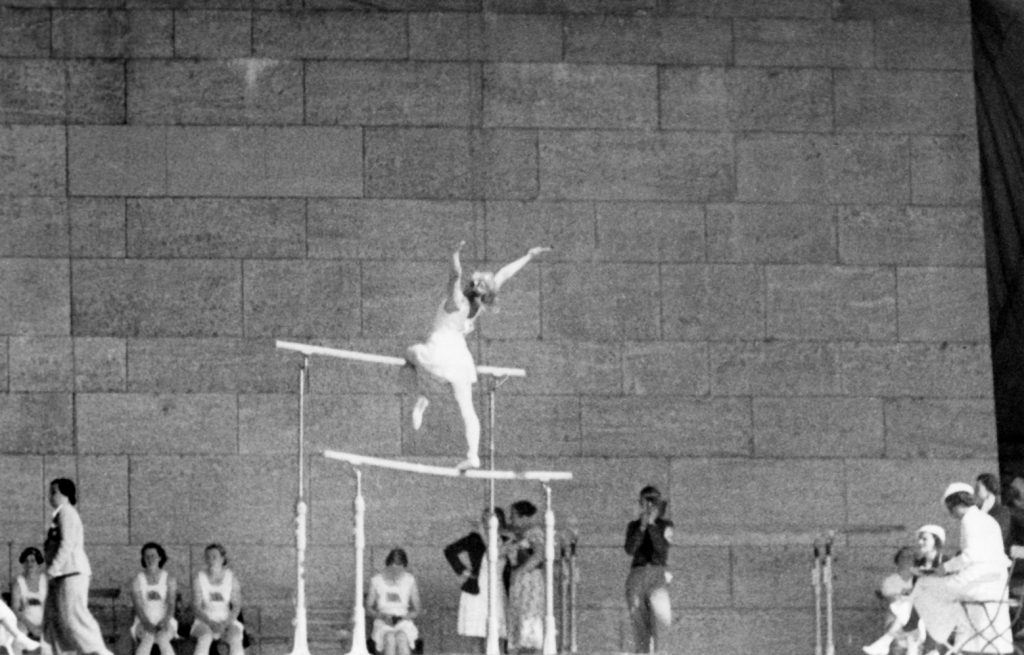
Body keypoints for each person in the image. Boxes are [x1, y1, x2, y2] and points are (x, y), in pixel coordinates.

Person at [405, 242, 550, 470]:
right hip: (459, 358)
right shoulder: (479, 306)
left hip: (439, 350)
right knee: (467, 408)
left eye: (476, 282)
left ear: (475, 288)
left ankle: (422, 401)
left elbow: (455, 275)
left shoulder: (457, 301)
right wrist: (529, 256)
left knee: (412, 353)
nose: (473, 282)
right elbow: (504, 274)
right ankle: (473, 455)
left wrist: (454, 253)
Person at [912, 482, 1012, 655]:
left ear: (955, 504)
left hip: (976, 584)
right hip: (996, 585)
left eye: (950, 509)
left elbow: (971, 556)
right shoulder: (988, 520)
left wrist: (946, 567)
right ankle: (946, 638)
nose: (951, 514)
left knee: (923, 586)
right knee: (946, 598)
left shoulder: (970, 520)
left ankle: (932, 641)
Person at [43, 477, 113, 655]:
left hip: (71, 572)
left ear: (65, 493)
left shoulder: (67, 512)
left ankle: (99, 651)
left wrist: (52, 569)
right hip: (61, 574)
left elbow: (67, 543)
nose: (50, 496)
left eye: (54, 492)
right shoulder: (59, 515)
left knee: (74, 617)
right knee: (60, 621)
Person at [443, 508, 508, 652]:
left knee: (498, 634)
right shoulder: (474, 538)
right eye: (484, 520)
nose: (487, 523)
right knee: (477, 634)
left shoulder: (505, 539)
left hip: (496, 588)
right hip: (478, 588)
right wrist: (463, 571)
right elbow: (450, 550)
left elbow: (495, 551)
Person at [624, 485, 673, 654]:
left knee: (661, 625)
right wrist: (642, 527)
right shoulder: (634, 526)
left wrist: (652, 524)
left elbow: (661, 549)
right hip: (637, 574)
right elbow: (630, 549)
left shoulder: (665, 525)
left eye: (653, 503)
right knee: (639, 628)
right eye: (645, 502)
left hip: (657, 574)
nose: (649, 507)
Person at [863, 547, 924, 655]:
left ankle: (885, 641)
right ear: (897, 560)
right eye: (903, 557)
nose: (907, 559)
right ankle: (888, 641)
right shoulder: (890, 581)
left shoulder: (920, 580)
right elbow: (892, 600)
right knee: (906, 606)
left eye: (910, 557)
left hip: (916, 620)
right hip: (895, 617)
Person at [503, 501, 545, 654]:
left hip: (529, 579)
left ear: (524, 516)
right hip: (520, 580)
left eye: (513, 515)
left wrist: (519, 571)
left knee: (528, 618)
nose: (511, 518)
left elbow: (539, 555)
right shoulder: (520, 533)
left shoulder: (534, 532)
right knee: (519, 617)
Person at [190, 544, 243, 655]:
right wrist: (210, 623)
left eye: (214, 556)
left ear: (222, 559)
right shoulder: (199, 578)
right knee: (205, 637)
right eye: (207, 557)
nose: (211, 560)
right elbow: (196, 607)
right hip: (204, 619)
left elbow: (236, 606)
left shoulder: (231, 578)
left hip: (226, 619)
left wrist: (225, 624)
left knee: (235, 638)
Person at [366, 548, 421, 655]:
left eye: (399, 566)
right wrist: (381, 616)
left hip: (403, 620)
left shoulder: (410, 580)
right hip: (383, 621)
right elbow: (368, 607)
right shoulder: (376, 580)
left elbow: (417, 609)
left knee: (402, 638)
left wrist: (404, 617)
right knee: (389, 638)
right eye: (393, 566)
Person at [130, 543, 178, 655]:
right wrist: (146, 623)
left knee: (162, 638)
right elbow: (138, 607)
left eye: (153, 556)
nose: (150, 559)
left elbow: (171, 604)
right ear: (143, 559)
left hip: (166, 620)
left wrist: (165, 621)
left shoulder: (169, 579)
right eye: (147, 556)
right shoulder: (137, 580)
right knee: (148, 637)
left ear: (160, 557)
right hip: (142, 621)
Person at [10, 547, 46, 654]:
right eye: (26, 561)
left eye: (32, 560)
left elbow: (52, 607)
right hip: (25, 621)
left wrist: (44, 626)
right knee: (16, 639)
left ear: (38, 562)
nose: (29, 564)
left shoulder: (46, 581)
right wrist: (31, 627)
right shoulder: (18, 582)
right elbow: (15, 609)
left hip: (45, 621)